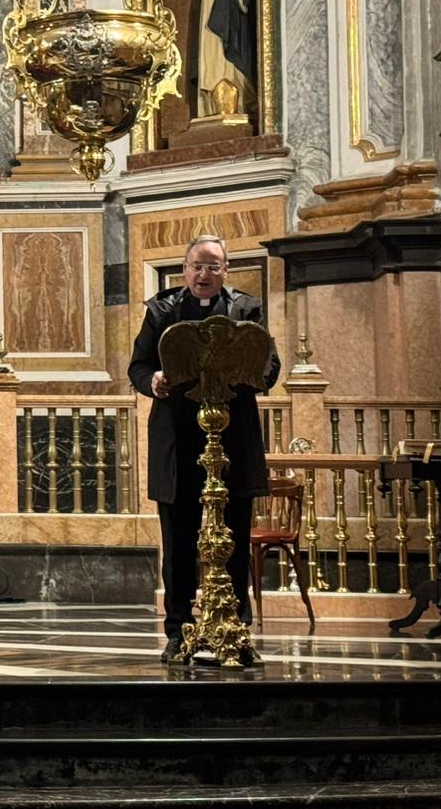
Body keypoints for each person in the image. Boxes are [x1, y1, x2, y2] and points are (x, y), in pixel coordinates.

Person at [128, 234, 280, 664]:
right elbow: (138, 365)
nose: (204, 274)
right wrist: (152, 381)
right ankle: (177, 632)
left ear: (226, 271)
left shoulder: (246, 309)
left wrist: (253, 376)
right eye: (197, 265)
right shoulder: (161, 310)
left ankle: (238, 629)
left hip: (232, 437)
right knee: (178, 542)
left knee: (232, 533)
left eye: (213, 266)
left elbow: (270, 364)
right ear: (185, 267)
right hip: (178, 438)